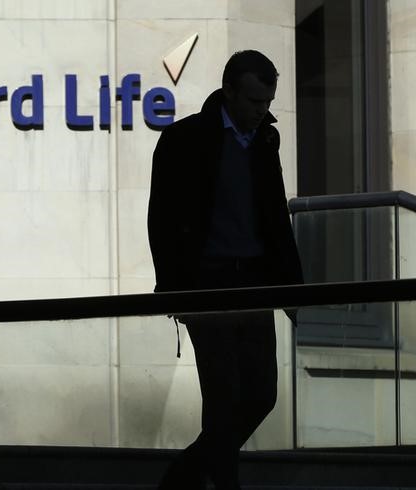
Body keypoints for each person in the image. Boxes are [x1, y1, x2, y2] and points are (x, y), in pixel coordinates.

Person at [147, 50, 303, 489]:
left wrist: (291, 288)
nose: (262, 111)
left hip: (253, 282)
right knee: (222, 399)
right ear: (228, 91)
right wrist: (173, 287)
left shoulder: (264, 141)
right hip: (207, 284)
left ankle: (182, 479)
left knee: (260, 395)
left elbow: (274, 218)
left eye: (267, 102)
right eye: (254, 101)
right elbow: (162, 218)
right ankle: (216, 485)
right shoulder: (185, 139)